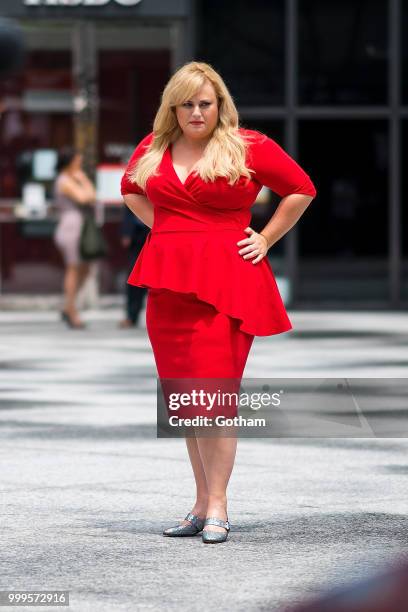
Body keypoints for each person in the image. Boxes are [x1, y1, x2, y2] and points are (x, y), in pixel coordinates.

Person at [121, 61, 317, 544]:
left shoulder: (248, 146)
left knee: (215, 398)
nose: (195, 112)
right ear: (172, 107)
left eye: (204, 103)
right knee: (187, 400)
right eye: (185, 103)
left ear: (219, 104)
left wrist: (266, 239)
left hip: (225, 285)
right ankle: (199, 503)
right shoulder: (153, 147)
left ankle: (220, 507)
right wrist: (167, 231)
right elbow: (129, 190)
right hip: (168, 287)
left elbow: (301, 189)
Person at [53, 147, 96, 329]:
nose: (80, 164)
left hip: (79, 226)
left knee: (85, 269)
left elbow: (91, 197)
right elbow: (85, 198)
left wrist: (82, 181)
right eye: (77, 161)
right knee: (73, 268)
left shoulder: (72, 179)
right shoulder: (64, 180)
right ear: (69, 162)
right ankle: (71, 310)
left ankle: (68, 306)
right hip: (70, 227)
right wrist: (84, 180)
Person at [118, 205, 149, 328]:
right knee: (134, 276)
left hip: (158, 230)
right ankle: (131, 315)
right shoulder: (135, 185)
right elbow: (128, 208)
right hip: (137, 234)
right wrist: (126, 232)